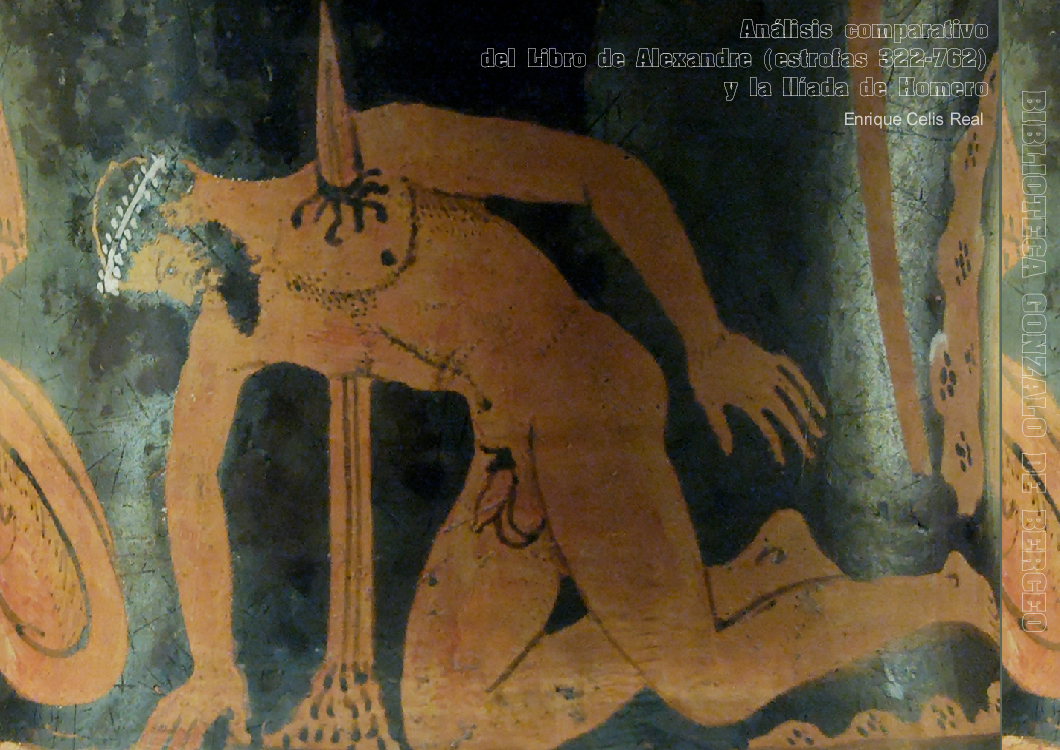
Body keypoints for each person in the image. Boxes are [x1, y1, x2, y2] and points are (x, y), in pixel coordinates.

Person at [91, 7, 996, 750]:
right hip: (508, 450)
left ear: (183, 205)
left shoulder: (378, 154)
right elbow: (188, 477)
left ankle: (942, 593)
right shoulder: (237, 325)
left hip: (585, 401)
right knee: (447, 723)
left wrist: (709, 340)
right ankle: (754, 575)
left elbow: (600, 176)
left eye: (166, 272)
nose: (179, 297)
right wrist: (213, 667)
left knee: (701, 684)